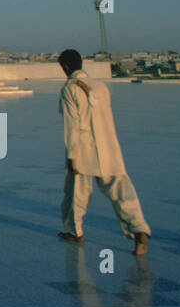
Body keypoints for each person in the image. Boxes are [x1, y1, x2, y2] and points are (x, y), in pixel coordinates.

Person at [58, 48, 151, 255]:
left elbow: (72, 126)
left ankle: (75, 231)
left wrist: (72, 156)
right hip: (109, 149)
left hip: (83, 151)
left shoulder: (69, 89)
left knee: (77, 193)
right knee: (121, 191)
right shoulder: (101, 87)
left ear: (65, 67)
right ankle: (139, 229)